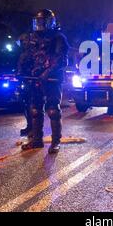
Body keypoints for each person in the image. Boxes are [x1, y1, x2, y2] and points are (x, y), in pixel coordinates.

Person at [20, 9, 69, 154]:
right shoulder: (32, 37)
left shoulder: (58, 38)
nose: (40, 25)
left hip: (52, 79)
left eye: (43, 21)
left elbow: (61, 59)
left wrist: (48, 72)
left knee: (53, 110)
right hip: (35, 78)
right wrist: (21, 71)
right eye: (38, 21)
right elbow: (26, 56)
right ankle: (36, 140)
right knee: (35, 110)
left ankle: (55, 142)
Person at [17, 33, 33, 137]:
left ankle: (34, 128)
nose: (24, 43)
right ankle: (29, 125)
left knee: (33, 106)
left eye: (25, 41)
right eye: (22, 41)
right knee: (26, 105)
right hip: (25, 82)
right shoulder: (22, 54)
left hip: (33, 82)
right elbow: (19, 67)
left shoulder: (34, 53)